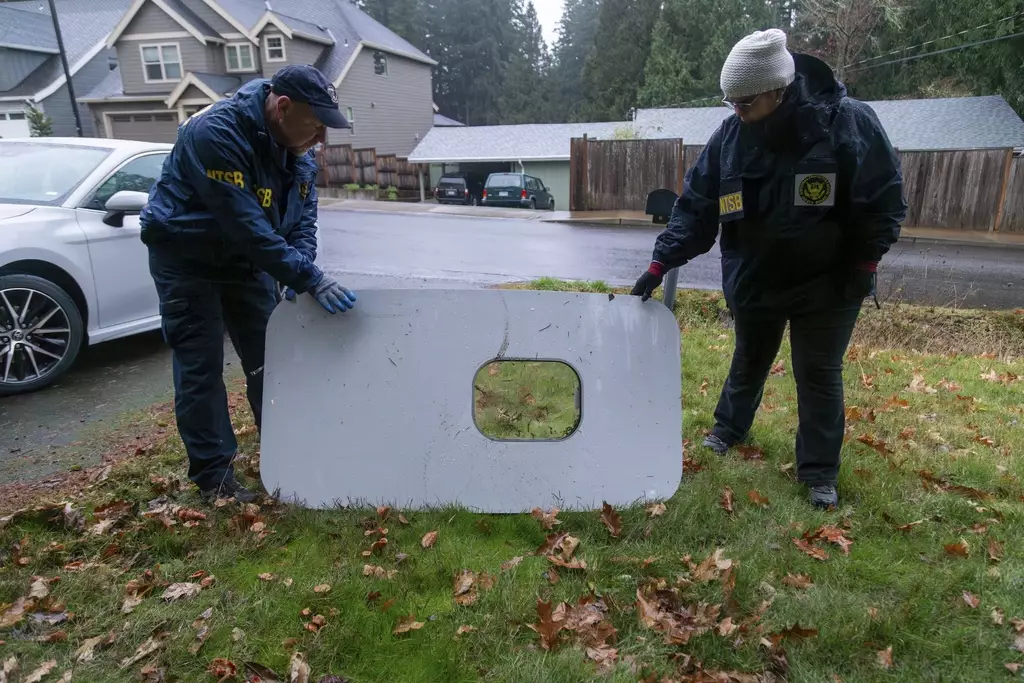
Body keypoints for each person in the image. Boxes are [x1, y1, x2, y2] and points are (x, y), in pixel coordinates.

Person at [632, 29, 907, 509]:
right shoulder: (730, 138)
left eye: (746, 102)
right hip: (756, 276)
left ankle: (819, 473)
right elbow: (697, 206)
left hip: (829, 281)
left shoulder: (845, 123)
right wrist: (661, 261)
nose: (737, 112)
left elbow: (884, 201)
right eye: (731, 102)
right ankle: (728, 429)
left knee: (818, 373)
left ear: (778, 90)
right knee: (749, 358)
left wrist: (864, 263)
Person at [140, 64, 358, 503]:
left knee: (271, 361)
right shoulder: (215, 133)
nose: (321, 138)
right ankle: (214, 477)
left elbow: (302, 220)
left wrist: (301, 267)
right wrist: (309, 278)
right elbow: (246, 225)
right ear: (283, 107)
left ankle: (286, 453)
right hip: (188, 257)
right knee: (201, 367)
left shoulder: (297, 151)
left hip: (247, 261)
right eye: (316, 125)